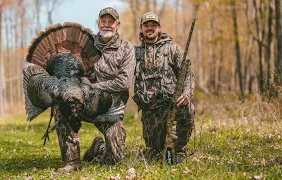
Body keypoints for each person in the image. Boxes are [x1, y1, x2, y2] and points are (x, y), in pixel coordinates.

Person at [57, 7, 135, 172]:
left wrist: (94, 86)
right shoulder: (85, 44)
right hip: (85, 101)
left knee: (116, 159)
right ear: (98, 23)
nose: (107, 25)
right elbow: (72, 71)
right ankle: (72, 161)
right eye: (103, 21)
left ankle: (98, 147)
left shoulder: (126, 48)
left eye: (111, 22)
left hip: (111, 108)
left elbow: (123, 82)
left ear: (117, 25)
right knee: (62, 105)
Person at [133, 12, 195, 164]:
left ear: (159, 28)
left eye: (153, 25)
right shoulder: (134, 52)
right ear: (141, 29)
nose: (150, 28)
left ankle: (180, 150)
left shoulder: (173, 49)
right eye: (146, 25)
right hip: (150, 110)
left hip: (171, 105)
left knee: (188, 108)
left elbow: (188, 73)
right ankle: (164, 144)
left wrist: (187, 93)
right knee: (155, 153)